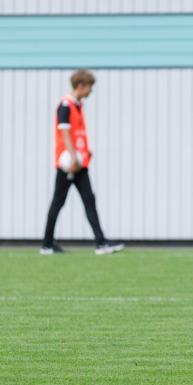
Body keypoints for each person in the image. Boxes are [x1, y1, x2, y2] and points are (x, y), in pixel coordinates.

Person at [41, 70, 123, 256]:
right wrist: (74, 157)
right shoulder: (65, 105)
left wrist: (85, 151)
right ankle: (47, 244)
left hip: (80, 163)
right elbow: (64, 133)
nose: (91, 90)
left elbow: (76, 134)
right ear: (80, 86)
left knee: (89, 200)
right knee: (58, 202)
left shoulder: (78, 105)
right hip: (70, 164)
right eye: (89, 87)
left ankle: (101, 242)